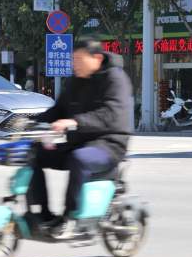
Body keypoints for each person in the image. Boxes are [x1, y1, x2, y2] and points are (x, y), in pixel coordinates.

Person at [27, 39, 133, 239]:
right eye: (73, 60)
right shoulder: (75, 79)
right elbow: (59, 109)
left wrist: (73, 122)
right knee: (35, 154)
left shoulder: (115, 79)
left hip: (110, 143)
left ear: (97, 58)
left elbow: (111, 114)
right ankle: (44, 215)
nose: (74, 64)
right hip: (78, 140)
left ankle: (69, 218)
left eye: (78, 59)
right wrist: (31, 123)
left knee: (79, 159)